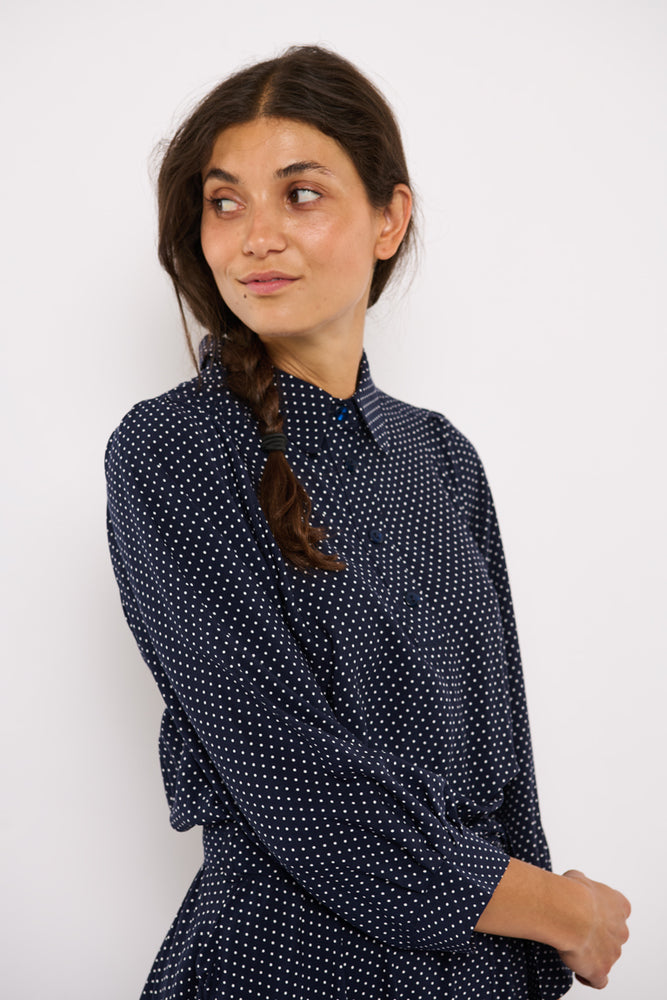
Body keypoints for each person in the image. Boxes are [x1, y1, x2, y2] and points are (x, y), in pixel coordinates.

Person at [105, 45, 630, 1000]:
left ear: (390, 218)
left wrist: (535, 961)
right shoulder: (172, 450)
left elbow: (505, 757)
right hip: (288, 964)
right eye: (224, 203)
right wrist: (561, 912)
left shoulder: (442, 458)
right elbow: (299, 784)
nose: (255, 237)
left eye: (299, 194)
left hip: (480, 969)